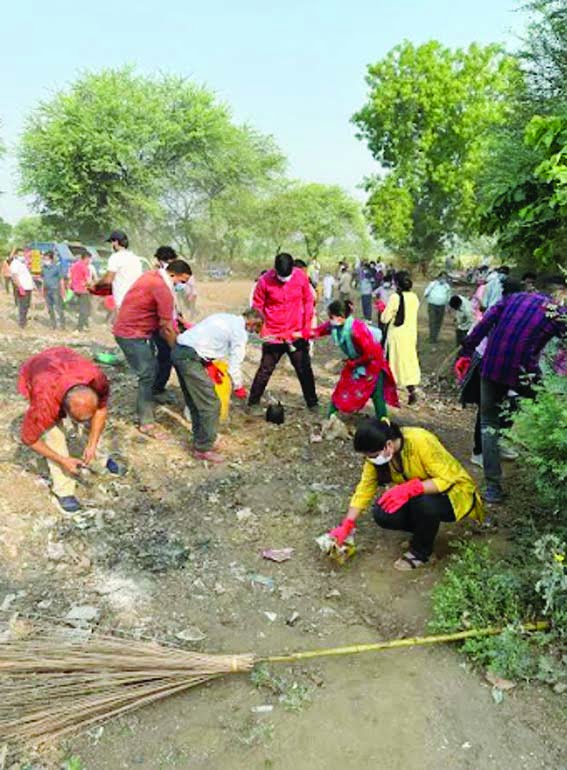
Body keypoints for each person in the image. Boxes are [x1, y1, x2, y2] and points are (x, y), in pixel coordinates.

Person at [456, 288, 566, 503]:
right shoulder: (553, 309)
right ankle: (551, 476)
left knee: (489, 422)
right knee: (548, 414)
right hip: (523, 371)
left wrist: (466, 350)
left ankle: (493, 488)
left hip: (492, 366)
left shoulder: (513, 298)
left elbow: (483, 325)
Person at [328, 419, 484, 570]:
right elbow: (365, 488)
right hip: (420, 496)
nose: (370, 460)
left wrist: (411, 488)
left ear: (388, 445)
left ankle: (422, 553)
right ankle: (425, 532)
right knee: (383, 512)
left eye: (372, 456)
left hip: (455, 494)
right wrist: (347, 524)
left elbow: (447, 479)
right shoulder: (378, 455)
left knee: (424, 502)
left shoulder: (420, 440)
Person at [17, 347, 119, 513]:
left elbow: (100, 410)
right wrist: (62, 459)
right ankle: (64, 490)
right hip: (39, 371)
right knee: (55, 437)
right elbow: (29, 439)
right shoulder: (45, 402)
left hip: (67, 362)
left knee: (92, 426)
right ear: (63, 410)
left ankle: (98, 459)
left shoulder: (97, 380)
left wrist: (92, 444)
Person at [113, 259, 192, 438]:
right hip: (131, 334)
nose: (182, 286)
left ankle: (156, 391)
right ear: (173, 275)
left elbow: (167, 319)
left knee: (162, 357)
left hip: (141, 328)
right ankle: (146, 422)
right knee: (147, 373)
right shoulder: (162, 288)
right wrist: (178, 350)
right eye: (182, 281)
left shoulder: (153, 276)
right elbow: (166, 327)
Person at [173, 309, 264, 463]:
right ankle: (204, 448)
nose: (252, 333)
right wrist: (239, 387)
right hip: (190, 359)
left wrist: (208, 363)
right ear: (251, 323)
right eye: (254, 329)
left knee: (196, 402)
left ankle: (201, 439)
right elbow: (234, 366)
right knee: (211, 404)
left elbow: (206, 338)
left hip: (180, 352)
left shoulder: (223, 317)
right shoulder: (239, 332)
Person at [247, 253, 319, 413]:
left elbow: (308, 301)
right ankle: (253, 403)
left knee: (304, 369)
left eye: (287, 276)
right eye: (280, 277)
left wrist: (306, 327)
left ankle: (312, 403)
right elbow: (257, 305)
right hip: (274, 333)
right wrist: (262, 329)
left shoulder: (300, 277)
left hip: (295, 332)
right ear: (275, 270)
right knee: (265, 369)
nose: (283, 280)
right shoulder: (264, 280)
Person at [312, 300, 399, 419]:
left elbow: (371, 353)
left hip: (372, 364)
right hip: (356, 362)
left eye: (331, 316)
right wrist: (295, 334)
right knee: (342, 389)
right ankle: (330, 416)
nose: (329, 319)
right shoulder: (335, 326)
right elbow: (317, 331)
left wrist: (354, 363)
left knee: (377, 393)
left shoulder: (357, 330)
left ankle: (384, 422)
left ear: (341, 317)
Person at [381, 271, 421, 405]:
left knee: (391, 364)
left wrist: (383, 309)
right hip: (410, 335)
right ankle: (412, 391)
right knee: (407, 363)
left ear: (396, 283)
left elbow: (385, 318)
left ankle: (389, 395)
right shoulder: (414, 297)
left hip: (396, 336)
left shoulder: (395, 298)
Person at [95, 230, 142, 310]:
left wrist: (95, 285)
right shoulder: (135, 258)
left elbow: (108, 280)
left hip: (122, 301)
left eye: (111, 242)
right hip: (136, 300)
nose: (111, 245)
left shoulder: (115, 257)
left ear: (116, 242)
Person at [424, 272, 451, 344]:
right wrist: (427, 297)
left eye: (445, 278)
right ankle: (432, 338)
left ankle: (435, 337)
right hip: (432, 305)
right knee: (432, 321)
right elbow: (426, 292)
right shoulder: (433, 284)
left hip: (442, 306)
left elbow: (448, 297)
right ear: (439, 277)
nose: (443, 279)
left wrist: (448, 307)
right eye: (442, 277)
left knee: (439, 322)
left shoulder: (447, 286)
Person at [41, 251, 66, 330]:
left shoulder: (57, 267)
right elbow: (43, 280)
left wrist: (63, 291)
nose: (45, 260)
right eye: (44, 259)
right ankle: (53, 325)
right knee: (50, 309)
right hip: (47, 290)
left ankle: (62, 325)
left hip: (55, 290)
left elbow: (61, 280)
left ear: (51, 259)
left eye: (46, 259)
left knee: (58, 308)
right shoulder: (44, 268)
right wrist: (42, 290)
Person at [10, 252, 34, 328]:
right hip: (23, 287)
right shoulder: (15, 263)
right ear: (16, 255)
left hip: (28, 287)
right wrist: (19, 287)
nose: (22, 256)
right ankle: (22, 323)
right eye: (20, 255)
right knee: (23, 306)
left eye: (23, 254)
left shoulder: (22, 263)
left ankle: (24, 320)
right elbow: (14, 276)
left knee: (27, 305)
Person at [69, 254, 92, 331]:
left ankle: (86, 325)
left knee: (82, 308)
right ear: (85, 258)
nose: (90, 261)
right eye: (89, 259)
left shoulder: (74, 266)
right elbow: (88, 281)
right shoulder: (85, 268)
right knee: (84, 310)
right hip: (83, 290)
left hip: (75, 290)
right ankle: (79, 328)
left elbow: (70, 277)